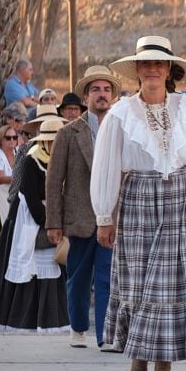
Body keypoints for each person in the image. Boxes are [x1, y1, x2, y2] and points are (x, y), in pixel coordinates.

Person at [90, 36, 186, 371]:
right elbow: (106, 166)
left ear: (169, 70)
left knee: (175, 284)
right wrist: (104, 215)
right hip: (138, 197)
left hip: (184, 199)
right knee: (138, 282)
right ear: (137, 70)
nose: (152, 69)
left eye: (159, 64)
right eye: (146, 63)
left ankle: (164, 370)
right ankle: (139, 354)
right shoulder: (119, 114)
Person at [46, 65, 120, 350]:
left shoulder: (121, 130)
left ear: (112, 95)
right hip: (80, 219)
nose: (102, 94)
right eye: (96, 89)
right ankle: (78, 327)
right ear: (86, 96)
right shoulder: (68, 133)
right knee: (78, 280)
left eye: (106, 89)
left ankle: (105, 335)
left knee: (106, 279)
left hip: (112, 218)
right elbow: (54, 181)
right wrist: (54, 223)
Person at [0, 120, 69, 333]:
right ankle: (26, 319)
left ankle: (52, 318)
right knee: (29, 267)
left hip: (54, 216)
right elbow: (29, 195)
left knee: (53, 266)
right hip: (30, 217)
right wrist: (49, 223)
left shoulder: (64, 158)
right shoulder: (31, 159)